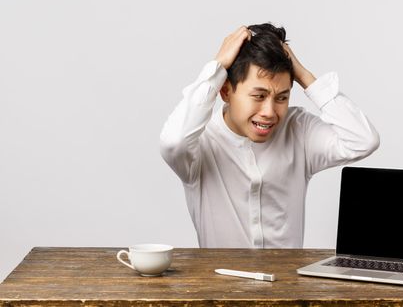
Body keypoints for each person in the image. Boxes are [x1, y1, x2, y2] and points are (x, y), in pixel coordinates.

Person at [160, 23, 379, 248]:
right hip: (221, 281)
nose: (269, 112)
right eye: (258, 96)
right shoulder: (200, 142)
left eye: (282, 98)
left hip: (288, 281)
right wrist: (217, 68)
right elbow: (172, 143)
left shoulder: (298, 130)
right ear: (225, 91)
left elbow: (364, 140)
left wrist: (304, 75)